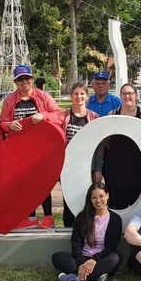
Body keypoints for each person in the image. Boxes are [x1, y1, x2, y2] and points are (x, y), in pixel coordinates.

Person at [0, 64, 63, 229]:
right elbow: (2, 123)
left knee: (43, 182)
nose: (24, 82)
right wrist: (10, 125)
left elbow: (59, 116)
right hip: (19, 149)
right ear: (16, 82)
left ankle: (48, 216)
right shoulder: (10, 100)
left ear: (32, 80)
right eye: (20, 80)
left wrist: (44, 116)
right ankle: (30, 217)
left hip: (41, 147)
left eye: (27, 78)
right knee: (25, 184)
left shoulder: (43, 97)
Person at [51, 182, 122, 281]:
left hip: (101, 259)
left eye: (101, 196)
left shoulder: (115, 219)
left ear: (107, 195)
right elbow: (76, 242)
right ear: (90, 200)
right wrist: (82, 263)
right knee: (57, 257)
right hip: (81, 258)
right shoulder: (82, 217)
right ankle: (95, 276)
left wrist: (94, 260)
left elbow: (111, 247)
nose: (98, 200)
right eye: (94, 198)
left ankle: (74, 278)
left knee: (115, 258)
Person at [91, 83, 141, 209]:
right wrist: (98, 168)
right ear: (120, 96)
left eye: (130, 93)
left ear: (136, 96)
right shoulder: (112, 114)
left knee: (135, 201)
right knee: (115, 202)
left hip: (137, 166)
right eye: (124, 93)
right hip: (114, 166)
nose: (127, 96)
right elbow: (102, 143)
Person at [57, 82, 99, 227]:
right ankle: (68, 229)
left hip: (87, 166)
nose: (79, 97)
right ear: (71, 96)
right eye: (76, 94)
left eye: (82, 94)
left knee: (87, 198)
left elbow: (99, 146)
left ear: (87, 97)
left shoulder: (94, 117)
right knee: (68, 200)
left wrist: (97, 169)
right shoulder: (64, 116)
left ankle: (87, 229)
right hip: (67, 166)